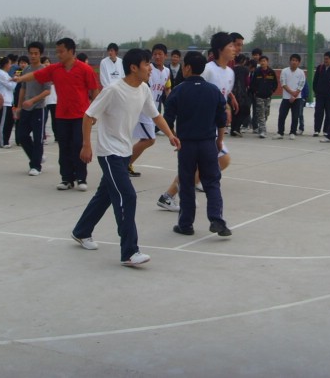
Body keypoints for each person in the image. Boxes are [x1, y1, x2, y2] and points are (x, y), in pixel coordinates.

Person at [71, 48, 181, 266]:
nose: (150, 68)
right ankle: (129, 252)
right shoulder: (113, 90)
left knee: (104, 195)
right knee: (127, 196)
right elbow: (88, 115)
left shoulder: (143, 89)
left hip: (124, 152)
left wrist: (170, 135)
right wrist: (86, 145)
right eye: (146, 64)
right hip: (109, 152)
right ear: (133, 68)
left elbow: (156, 115)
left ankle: (81, 231)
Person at [16, 38, 99, 191]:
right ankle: (66, 179)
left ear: (71, 51)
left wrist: (94, 113)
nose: (58, 55)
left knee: (78, 145)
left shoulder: (85, 69)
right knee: (64, 147)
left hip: (80, 116)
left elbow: (94, 90)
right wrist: (20, 78)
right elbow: (36, 75)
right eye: (57, 52)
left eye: (61, 51)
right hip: (62, 115)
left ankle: (81, 178)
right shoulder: (55, 69)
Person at [164, 51, 231, 237]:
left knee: (186, 183)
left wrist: (173, 136)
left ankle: (186, 224)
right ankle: (217, 220)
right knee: (212, 182)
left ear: (187, 68)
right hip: (208, 143)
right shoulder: (213, 90)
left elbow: (167, 118)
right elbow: (222, 119)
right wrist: (219, 140)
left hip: (186, 145)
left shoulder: (179, 90)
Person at [127, 44, 171, 177]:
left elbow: (167, 88)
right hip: (143, 109)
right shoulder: (148, 69)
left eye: (160, 54)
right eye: (155, 54)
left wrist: (170, 100)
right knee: (149, 139)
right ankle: (125, 163)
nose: (157, 56)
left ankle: (126, 163)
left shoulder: (167, 71)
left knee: (147, 139)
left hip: (153, 109)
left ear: (165, 55)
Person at [16, 42, 51, 175]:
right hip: (26, 109)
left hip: (39, 109)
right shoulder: (26, 70)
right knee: (22, 136)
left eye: (36, 53)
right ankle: (37, 157)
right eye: (31, 53)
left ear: (40, 54)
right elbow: (23, 89)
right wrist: (19, 106)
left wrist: (32, 100)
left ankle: (35, 166)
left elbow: (47, 91)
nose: (33, 56)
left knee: (38, 139)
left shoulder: (44, 70)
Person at [274, 54, 305, 140]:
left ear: (299, 62)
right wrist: (291, 93)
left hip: (297, 98)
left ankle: (292, 132)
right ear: (290, 61)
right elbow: (283, 84)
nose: (294, 62)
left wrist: (295, 95)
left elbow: (301, 84)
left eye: (296, 61)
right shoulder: (284, 71)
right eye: (293, 60)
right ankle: (280, 132)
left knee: (295, 116)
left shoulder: (301, 72)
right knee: (282, 115)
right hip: (286, 98)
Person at [249, 55, 276, 139]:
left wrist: (271, 91)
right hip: (259, 96)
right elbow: (252, 83)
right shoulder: (257, 72)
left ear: (267, 62)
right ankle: (262, 131)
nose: (263, 63)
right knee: (261, 114)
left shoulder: (271, 72)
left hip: (268, 96)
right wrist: (255, 92)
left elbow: (275, 83)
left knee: (266, 113)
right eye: (261, 61)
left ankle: (262, 127)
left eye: (264, 61)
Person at [0, 56, 17, 149]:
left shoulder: (5, 74)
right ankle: (2, 142)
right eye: (9, 64)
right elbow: (11, 86)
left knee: (9, 122)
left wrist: (13, 79)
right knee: (3, 123)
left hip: (8, 101)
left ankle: (6, 140)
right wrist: (15, 80)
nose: (10, 66)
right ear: (6, 64)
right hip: (4, 101)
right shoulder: (1, 74)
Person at [313, 51, 330, 138]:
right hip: (320, 95)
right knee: (318, 113)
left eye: (327, 59)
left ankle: (326, 130)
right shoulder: (320, 68)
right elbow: (315, 81)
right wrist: (316, 91)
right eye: (325, 59)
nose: (326, 60)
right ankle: (317, 130)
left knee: (329, 114)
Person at [230, 54, 251, 137]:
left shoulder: (231, 69)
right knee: (245, 110)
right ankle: (237, 128)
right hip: (241, 93)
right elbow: (247, 82)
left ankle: (233, 130)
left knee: (235, 111)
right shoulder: (245, 69)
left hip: (232, 93)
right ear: (243, 61)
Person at [40, 55, 58, 141]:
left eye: (48, 62)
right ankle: (42, 136)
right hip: (44, 100)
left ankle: (57, 136)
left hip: (54, 100)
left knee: (56, 120)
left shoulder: (54, 72)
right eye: (44, 62)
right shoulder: (41, 73)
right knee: (44, 119)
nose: (46, 64)